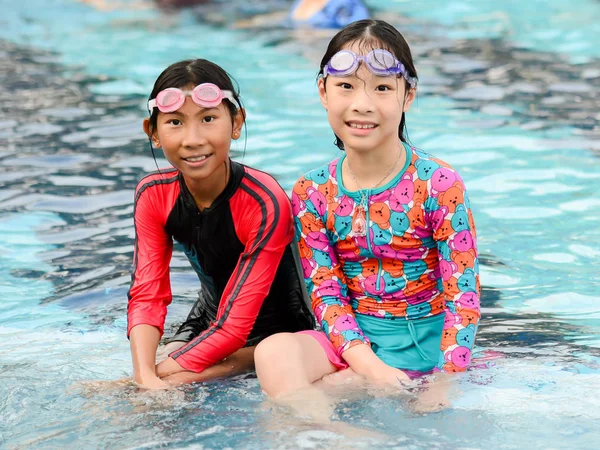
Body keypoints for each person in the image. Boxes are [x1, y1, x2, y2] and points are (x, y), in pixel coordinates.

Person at [255, 19, 481, 399]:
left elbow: (463, 292)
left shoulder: (438, 184)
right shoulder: (312, 191)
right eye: (346, 86)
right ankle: (338, 435)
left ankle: (330, 415)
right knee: (273, 353)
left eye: (381, 88)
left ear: (407, 96)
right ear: (323, 91)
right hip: (350, 342)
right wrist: (366, 364)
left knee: (324, 392)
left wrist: (446, 380)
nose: (362, 104)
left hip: (425, 341)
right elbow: (324, 290)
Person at [127, 58, 315, 389]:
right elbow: (148, 295)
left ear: (237, 122)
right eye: (175, 122)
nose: (193, 139)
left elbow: (236, 327)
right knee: (150, 385)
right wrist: (144, 374)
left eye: (209, 119)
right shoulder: (153, 195)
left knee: (170, 385)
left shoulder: (264, 201)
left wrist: (160, 375)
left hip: (276, 336)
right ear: (152, 133)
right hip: (207, 321)